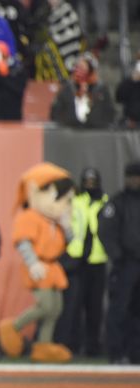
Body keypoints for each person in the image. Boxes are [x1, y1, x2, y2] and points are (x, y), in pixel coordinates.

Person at [0, 162, 74, 363]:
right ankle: (13, 327)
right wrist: (32, 263)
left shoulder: (54, 222)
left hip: (53, 266)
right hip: (39, 265)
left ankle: (43, 345)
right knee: (46, 305)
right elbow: (23, 242)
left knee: (56, 308)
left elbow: (69, 242)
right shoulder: (30, 217)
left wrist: (67, 227)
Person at [53, 167, 108, 358]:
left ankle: (93, 346)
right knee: (72, 306)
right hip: (76, 262)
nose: (90, 185)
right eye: (87, 182)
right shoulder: (74, 202)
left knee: (95, 307)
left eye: (93, 182)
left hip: (97, 260)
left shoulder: (107, 203)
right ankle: (71, 344)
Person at [98, 161, 140, 364]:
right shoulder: (117, 203)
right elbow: (106, 231)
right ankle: (116, 352)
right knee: (119, 308)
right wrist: (118, 256)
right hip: (126, 265)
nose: (135, 180)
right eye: (131, 177)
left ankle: (135, 352)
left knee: (137, 311)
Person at [50, 52, 115, 129]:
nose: (78, 70)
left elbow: (109, 111)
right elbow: (56, 110)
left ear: (91, 69)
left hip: (95, 132)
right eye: (77, 67)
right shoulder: (68, 88)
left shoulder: (101, 89)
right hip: (70, 132)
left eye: (82, 67)